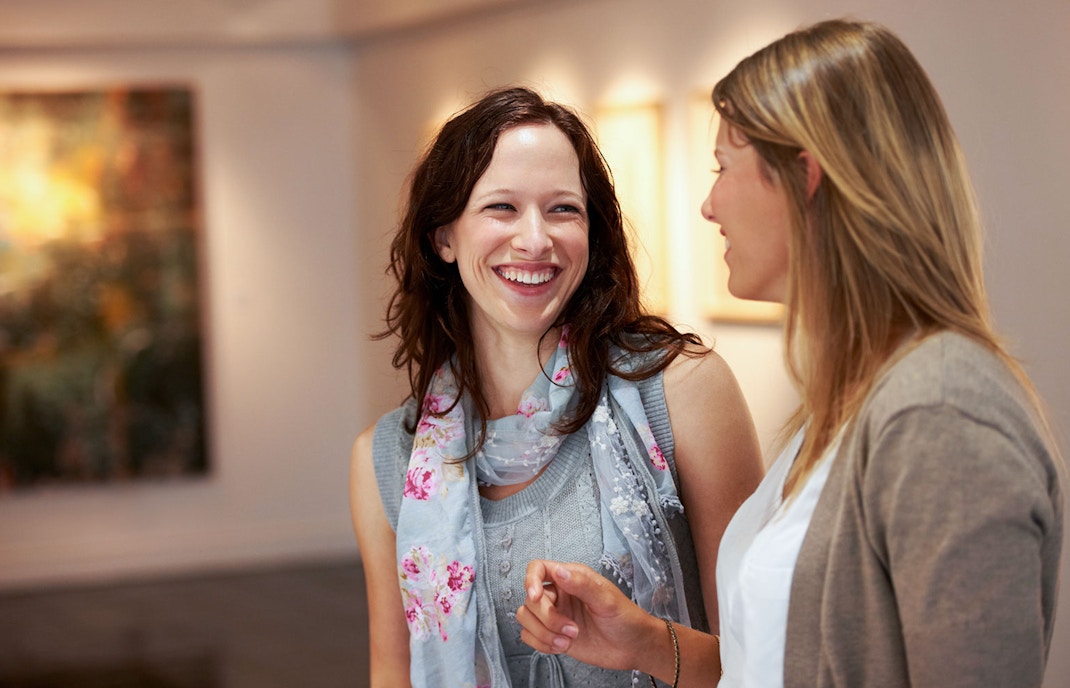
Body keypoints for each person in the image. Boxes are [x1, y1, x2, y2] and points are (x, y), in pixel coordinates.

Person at [517, 19, 1064, 688]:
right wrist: (643, 643)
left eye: (723, 168)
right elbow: (774, 666)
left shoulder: (940, 416)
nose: (708, 205)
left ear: (805, 176)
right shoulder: (850, 402)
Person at [348, 86, 764, 687]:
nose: (536, 240)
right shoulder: (385, 458)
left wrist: (644, 641)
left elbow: (762, 662)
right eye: (502, 208)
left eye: (563, 209)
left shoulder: (681, 390)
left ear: (592, 231)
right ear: (444, 236)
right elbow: (395, 676)